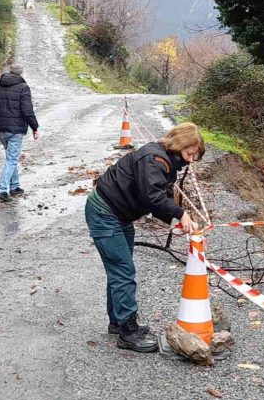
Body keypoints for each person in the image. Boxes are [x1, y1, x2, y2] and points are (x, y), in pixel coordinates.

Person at [85, 122, 205, 353]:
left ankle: (117, 322)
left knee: (120, 269)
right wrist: (181, 214)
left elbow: (160, 197)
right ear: (179, 144)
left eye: (194, 157)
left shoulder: (166, 162)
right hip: (104, 213)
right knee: (123, 270)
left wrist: (174, 221)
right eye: (189, 154)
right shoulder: (153, 159)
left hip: (120, 215)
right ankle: (128, 333)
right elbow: (152, 196)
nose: (190, 160)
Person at [0, 64, 39, 202]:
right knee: (12, 159)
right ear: (21, 74)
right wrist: (34, 127)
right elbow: (27, 110)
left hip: (1, 130)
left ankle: (15, 186)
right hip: (16, 130)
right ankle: (1, 190)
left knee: (11, 157)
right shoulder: (23, 88)